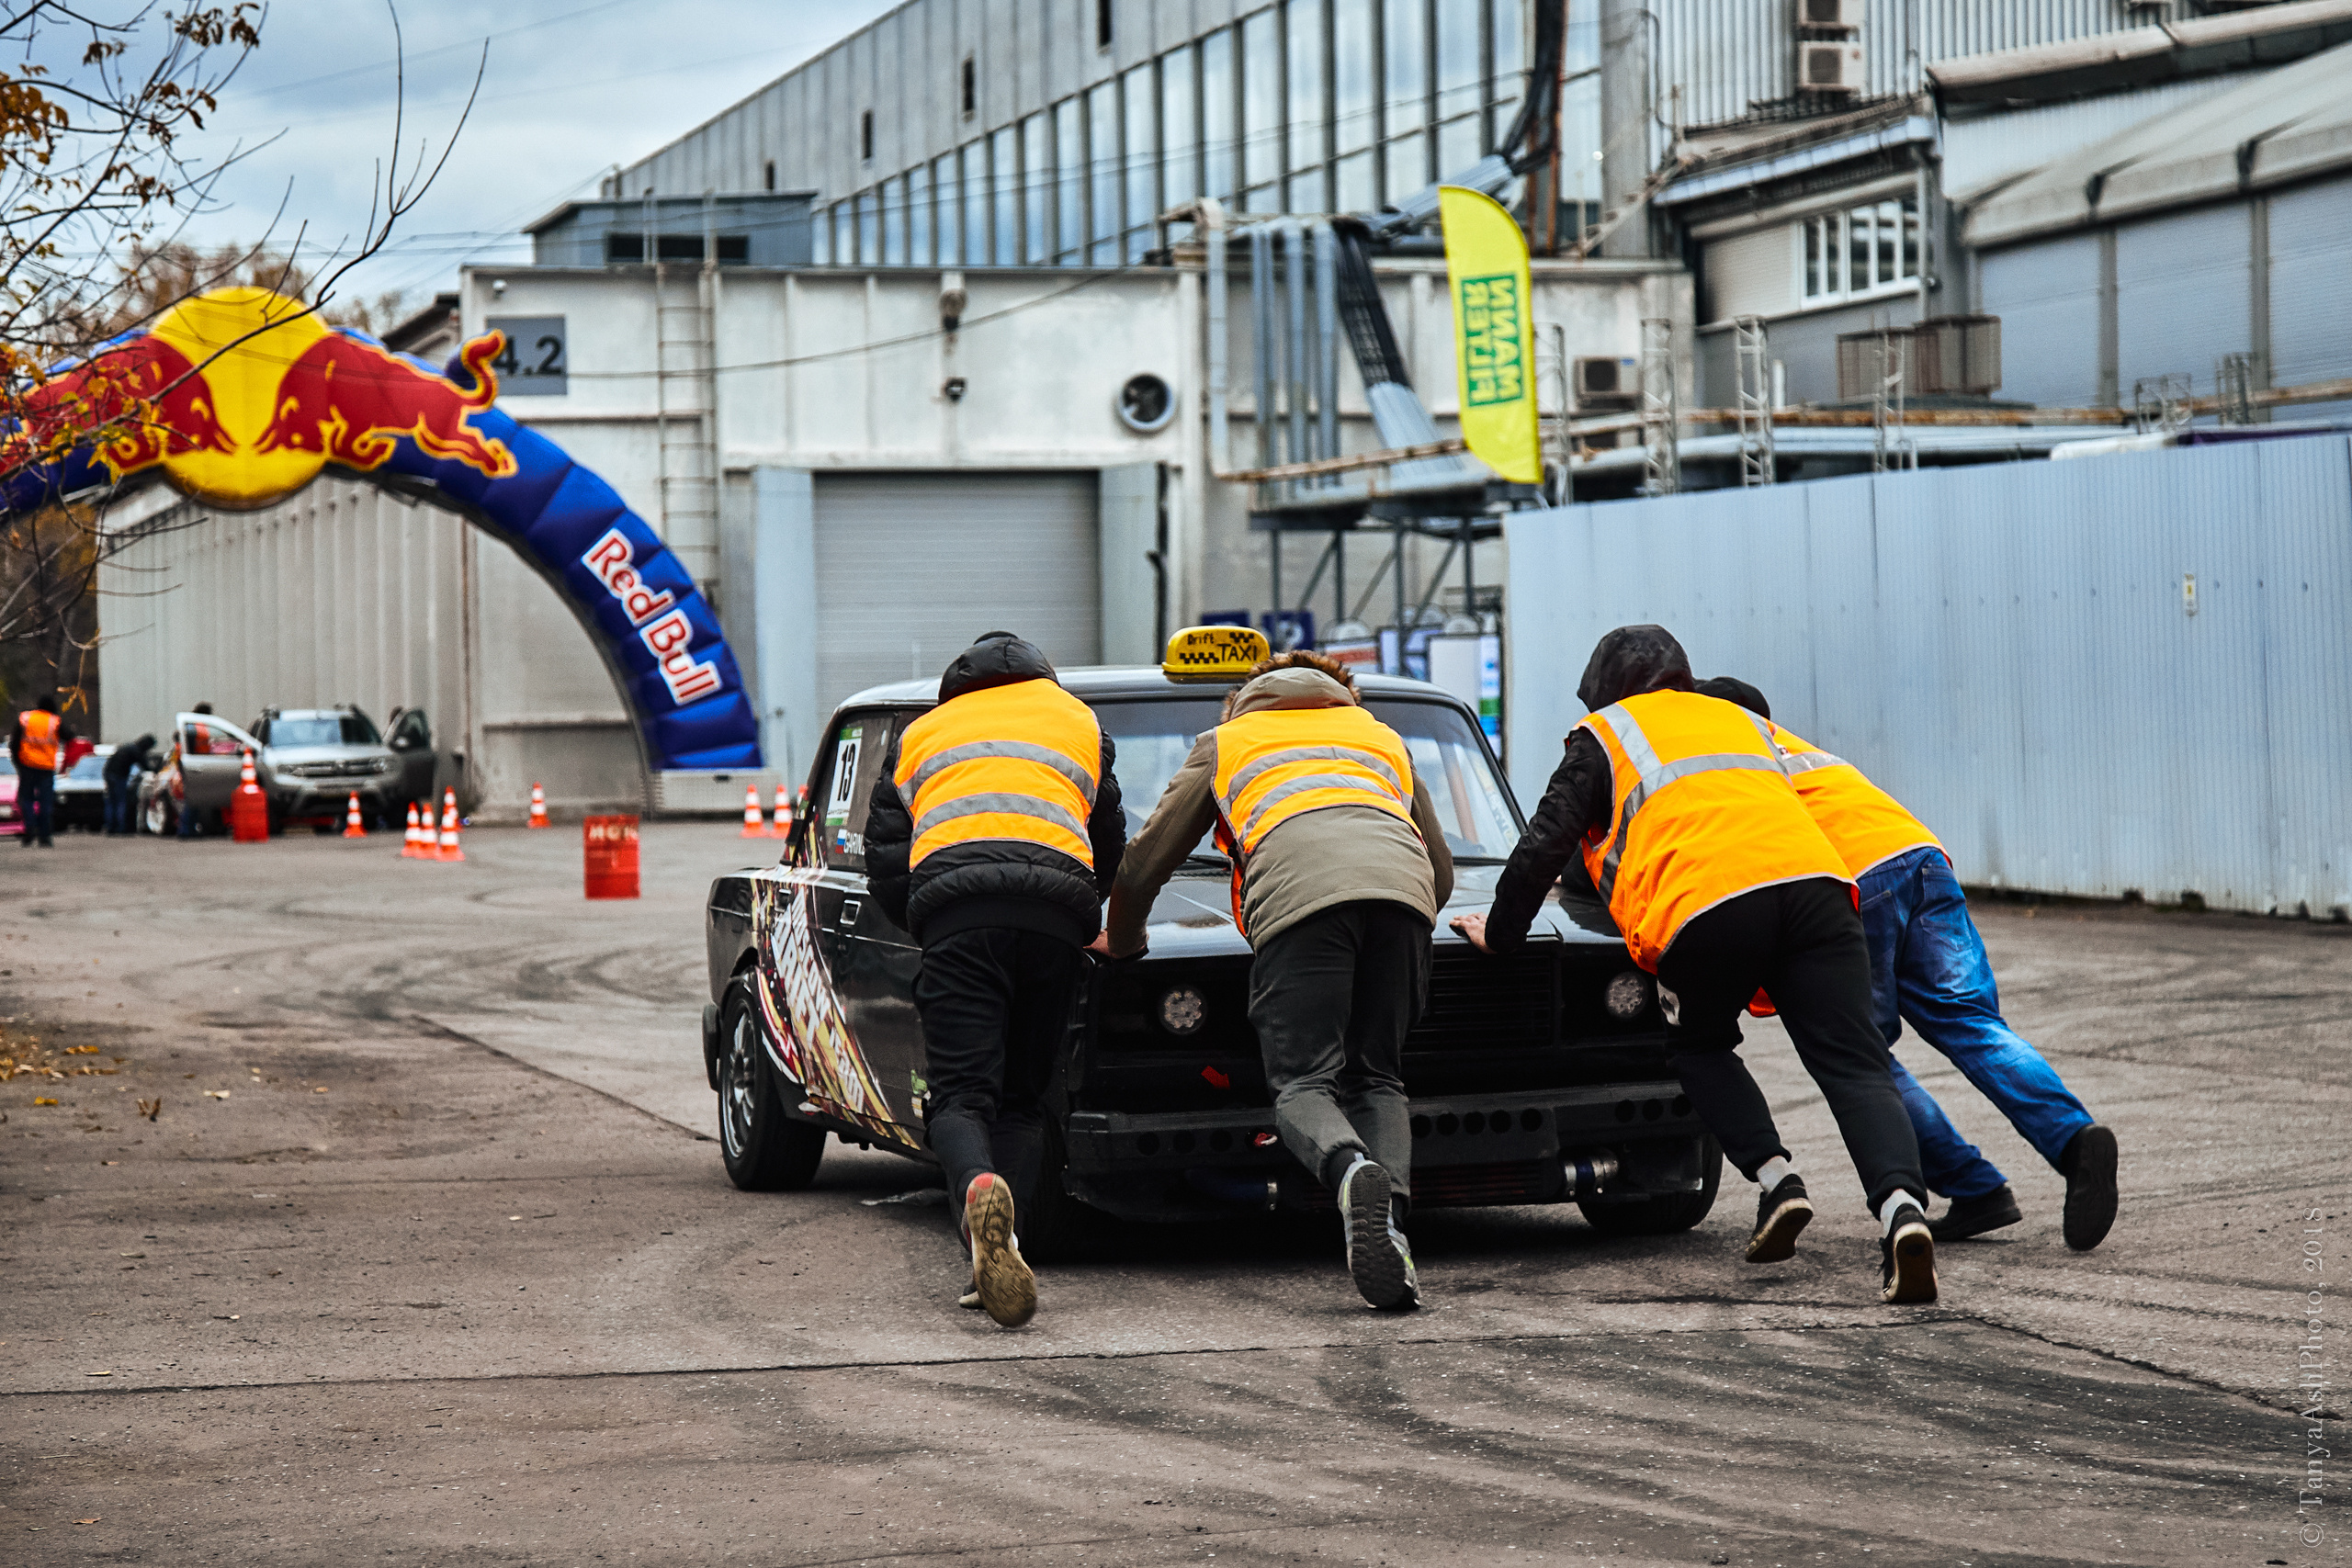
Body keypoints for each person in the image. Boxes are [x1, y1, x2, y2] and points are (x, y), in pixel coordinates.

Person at [1453, 626, 1939, 1304]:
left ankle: (1778, 1183)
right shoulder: (1739, 720)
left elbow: (1544, 844)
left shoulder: (1604, 736)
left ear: (1604, 690)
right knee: (1856, 1065)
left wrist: (1502, 934)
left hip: (1708, 906)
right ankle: (1903, 1214)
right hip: (1818, 892)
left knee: (1700, 1045)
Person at [1693, 676, 2119, 1251]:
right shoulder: (1805, 753)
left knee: (1862, 1057)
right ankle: (2073, 1141)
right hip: (1920, 856)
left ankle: (1969, 1181)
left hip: (1850, 882)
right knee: (1972, 1023)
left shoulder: (1727, 772)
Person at [1101, 648, 1453, 1312]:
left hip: (1302, 905)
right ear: (1339, 694)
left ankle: (1350, 1171)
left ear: (1244, 699)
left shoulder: (1229, 741)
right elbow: (1441, 873)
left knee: (1303, 1083)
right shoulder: (1381, 737)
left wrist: (1123, 940)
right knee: (1377, 1077)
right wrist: (1402, 911)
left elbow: (1144, 863)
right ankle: (1390, 1232)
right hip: (1405, 903)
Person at [865, 632, 1125, 1328]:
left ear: (960, 682)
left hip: (959, 922)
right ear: (1042, 677)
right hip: (1053, 924)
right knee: (1023, 1100)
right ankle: (1006, 1248)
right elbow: (1108, 836)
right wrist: (1084, 910)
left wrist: (930, 922)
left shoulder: (923, 732)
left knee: (960, 1096)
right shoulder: (1079, 722)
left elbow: (885, 856)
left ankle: (981, 1191)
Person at [8, 693, 75, 849]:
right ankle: (45, 835)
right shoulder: (54, 721)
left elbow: (14, 743)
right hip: (46, 768)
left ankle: (30, 829)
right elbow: (69, 737)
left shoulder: (25, 718)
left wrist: (19, 763)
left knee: (26, 800)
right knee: (46, 802)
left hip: (27, 766)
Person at [177, 702, 218, 840]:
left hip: (194, 764)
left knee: (195, 799)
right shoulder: (195, 726)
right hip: (195, 765)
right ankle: (185, 830)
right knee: (192, 799)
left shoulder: (192, 725)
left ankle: (189, 829)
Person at [104, 733, 156, 836]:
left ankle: (110, 827)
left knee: (111, 801)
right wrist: (155, 770)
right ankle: (121, 827)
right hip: (120, 776)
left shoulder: (127, 747)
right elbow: (144, 765)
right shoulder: (136, 751)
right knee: (121, 801)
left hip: (109, 773)